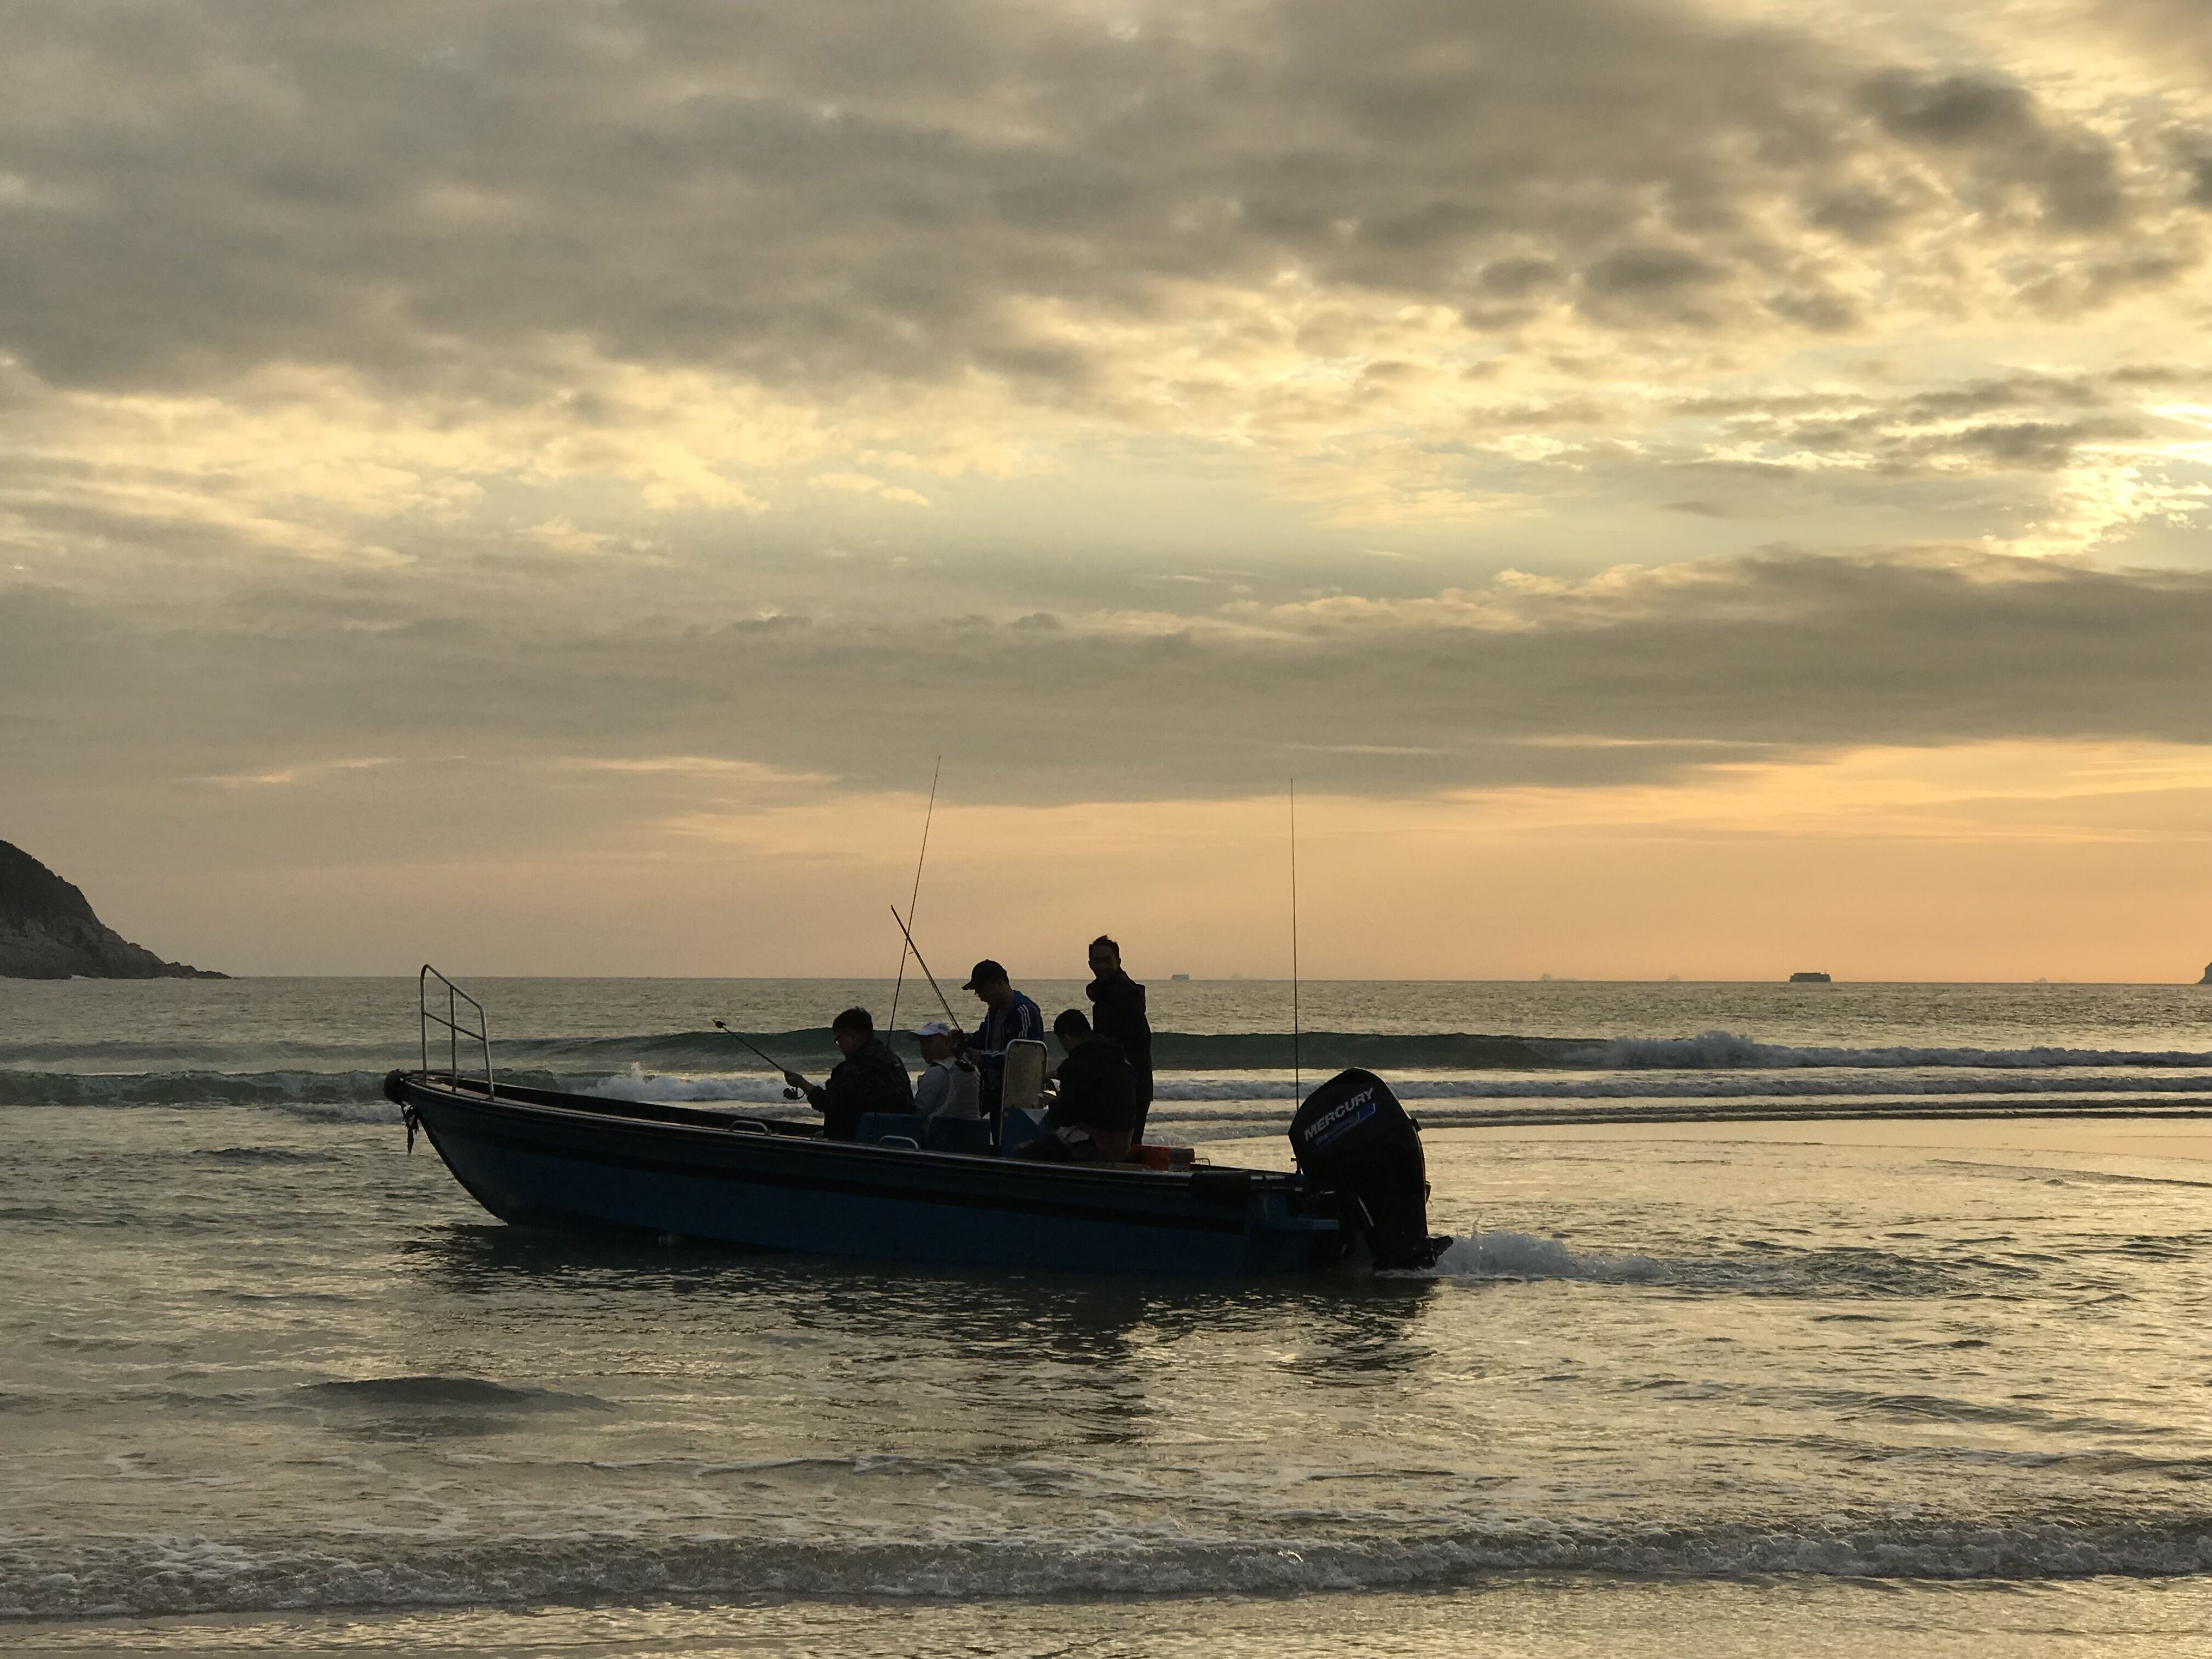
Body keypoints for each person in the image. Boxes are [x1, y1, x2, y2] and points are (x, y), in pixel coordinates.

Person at [1016, 1008, 1138, 1163]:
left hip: (1096, 1145)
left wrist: (1052, 1101)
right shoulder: (1116, 1058)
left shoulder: (1076, 1066)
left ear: (1066, 1038)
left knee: (1025, 1152)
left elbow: (1065, 1116)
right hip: (1123, 1143)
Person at [781, 1007, 912, 1141]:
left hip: (857, 1143)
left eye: (839, 1039)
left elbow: (828, 1104)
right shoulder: (894, 1060)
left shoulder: (853, 1069)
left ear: (852, 1037)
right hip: (898, 1138)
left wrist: (802, 1084)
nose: (839, 1045)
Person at [1085, 934, 1154, 1142]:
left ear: (1118, 962)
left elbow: (1129, 1043)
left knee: (1122, 1147)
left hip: (1128, 1087)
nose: (1102, 966)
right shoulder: (1106, 994)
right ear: (1090, 964)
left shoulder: (1124, 995)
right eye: (1097, 961)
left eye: (1107, 960)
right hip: (1120, 1084)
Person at [960, 958, 1043, 1121]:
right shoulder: (993, 1013)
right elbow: (981, 1040)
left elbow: (1024, 1056)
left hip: (1019, 1097)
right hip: (994, 1094)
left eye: (982, 991)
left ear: (1000, 983)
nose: (981, 997)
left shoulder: (1026, 1012)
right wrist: (963, 1040)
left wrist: (983, 1058)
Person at [910, 1019, 981, 1121]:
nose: (924, 1048)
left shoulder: (937, 1072)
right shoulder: (971, 1071)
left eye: (929, 1042)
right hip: (974, 1132)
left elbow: (920, 1111)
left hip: (942, 1134)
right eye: (922, 1043)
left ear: (947, 1043)